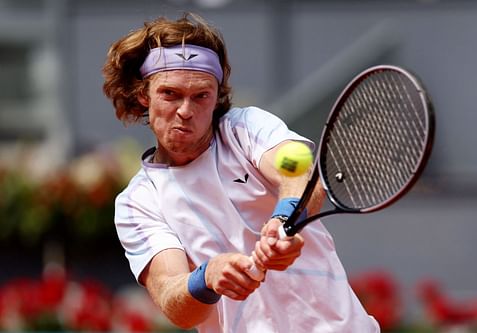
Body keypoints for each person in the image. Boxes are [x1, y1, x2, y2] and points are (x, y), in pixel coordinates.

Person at [102, 12, 379, 333]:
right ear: (143, 96)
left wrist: (284, 219)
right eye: (170, 94)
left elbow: (299, 171)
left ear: (216, 96)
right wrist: (204, 278)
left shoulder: (248, 128)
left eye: (201, 96)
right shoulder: (137, 203)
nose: (186, 111)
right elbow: (173, 300)